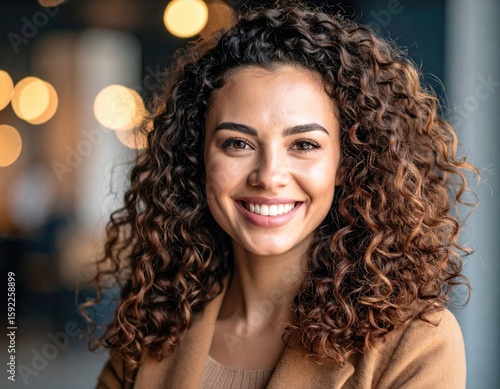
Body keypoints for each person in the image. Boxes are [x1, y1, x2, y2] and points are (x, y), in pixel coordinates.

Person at [85, 1, 477, 388]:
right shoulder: (152, 322)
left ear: (347, 163)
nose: (269, 176)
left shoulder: (417, 343)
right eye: (237, 143)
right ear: (198, 156)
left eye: (304, 145)